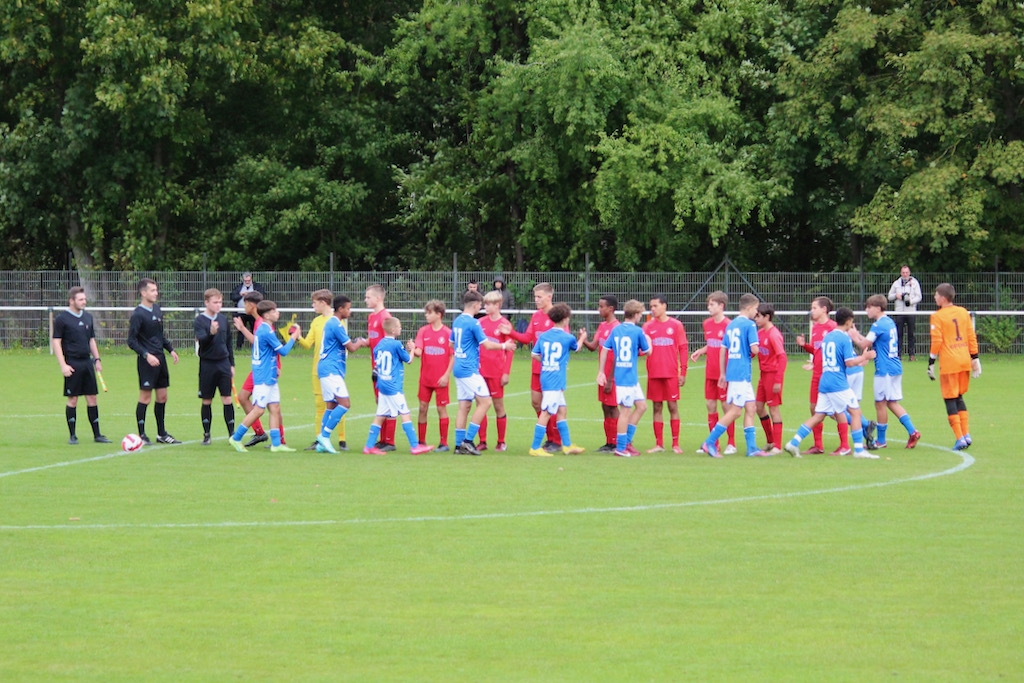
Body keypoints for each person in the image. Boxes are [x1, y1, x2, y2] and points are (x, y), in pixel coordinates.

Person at [784, 307, 877, 459]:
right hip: (837, 382)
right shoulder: (844, 338)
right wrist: (865, 356)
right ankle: (859, 450)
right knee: (855, 412)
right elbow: (849, 362)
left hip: (824, 381)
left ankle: (794, 442)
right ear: (848, 322)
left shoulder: (827, 337)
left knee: (818, 416)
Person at [228, 300, 301, 452]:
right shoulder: (266, 331)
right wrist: (294, 337)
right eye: (275, 311)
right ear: (267, 315)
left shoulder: (264, 328)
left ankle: (276, 444)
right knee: (259, 410)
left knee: (274, 407)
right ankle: (236, 438)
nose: (278, 313)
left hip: (270, 374)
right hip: (263, 375)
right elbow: (283, 351)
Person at [451, 290, 515, 455]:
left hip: (458, 367)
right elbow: (486, 345)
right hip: (469, 369)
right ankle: (468, 441)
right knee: (485, 403)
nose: (482, 307)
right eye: (481, 304)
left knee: (464, 406)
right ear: (474, 305)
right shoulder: (474, 323)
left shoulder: (457, 321)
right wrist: (504, 346)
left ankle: (458, 446)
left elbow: (452, 344)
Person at [700, 294, 763, 458]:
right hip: (741, 372)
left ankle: (752, 448)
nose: (756, 313)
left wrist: (722, 373)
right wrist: (762, 349)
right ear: (749, 308)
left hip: (735, 372)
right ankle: (709, 442)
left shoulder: (732, 324)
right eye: (756, 309)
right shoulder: (750, 325)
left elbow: (723, 349)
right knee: (735, 411)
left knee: (751, 408)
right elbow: (755, 349)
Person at [856, 294, 921, 449]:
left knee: (880, 404)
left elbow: (864, 343)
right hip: (895, 367)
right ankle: (913, 431)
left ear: (878, 308)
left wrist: (853, 335)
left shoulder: (878, 325)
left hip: (884, 370)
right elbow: (870, 342)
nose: (867, 310)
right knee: (891, 402)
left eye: (869, 307)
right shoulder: (889, 322)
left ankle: (881, 440)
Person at [501, 283, 560, 450]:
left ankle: (556, 440)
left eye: (539, 297)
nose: (536, 300)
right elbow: (527, 338)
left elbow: (564, 341)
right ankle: (550, 437)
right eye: (535, 297)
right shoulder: (536, 316)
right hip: (536, 368)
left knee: (551, 405)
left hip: (552, 370)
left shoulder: (558, 316)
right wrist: (510, 331)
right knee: (536, 403)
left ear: (549, 297)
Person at [362, 318, 434, 455]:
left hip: (382, 384)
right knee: (405, 413)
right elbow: (409, 360)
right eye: (399, 327)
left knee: (380, 415)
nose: (401, 329)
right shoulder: (396, 344)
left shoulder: (380, 344)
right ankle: (415, 446)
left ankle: (369, 446)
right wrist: (412, 349)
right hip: (393, 386)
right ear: (393, 330)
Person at [52, 286, 110, 445]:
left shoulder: (88, 317)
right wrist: (63, 364)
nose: (84, 302)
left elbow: (91, 340)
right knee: (73, 399)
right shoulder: (62, 319)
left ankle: (97, 434)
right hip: (72, 362)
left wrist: (97, 359)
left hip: (87, 362)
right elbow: (56, 342)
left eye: (84, 299)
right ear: (72, 301)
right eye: (81, 299)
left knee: (92, 398)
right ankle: (73, 436)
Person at [126, 278, 181, 445]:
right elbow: (131, 340)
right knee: (145, 397)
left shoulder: (157, 309)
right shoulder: (138, 314)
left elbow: (159, 335)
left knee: (163, 396)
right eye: (152, 290)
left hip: (161, 359)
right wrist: (146, 355)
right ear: (143, 293)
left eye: (156, 290)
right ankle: (141, 435)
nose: (156, 293)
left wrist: (170, 350)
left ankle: (161, 434)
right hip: (147, 362)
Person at [528, 303, 587, 456]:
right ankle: (535, 447)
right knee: (546, 412)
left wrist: (547, 362)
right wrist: (582, 338)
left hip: (547, 376)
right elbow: (577, 348)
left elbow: (534, 354)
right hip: (554, 380)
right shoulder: (568, 338)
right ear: (566, 319)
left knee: (562, 410)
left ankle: (567, 445)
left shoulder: (544, 336)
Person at [928, 283, 981, 450]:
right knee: (959, 397)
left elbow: (937, 341)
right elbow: (971, 336)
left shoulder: (937, 316)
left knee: (950, 399)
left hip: (950, 363)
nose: (934, 298)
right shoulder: (963, 312)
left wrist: (931, 362)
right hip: (964, 360)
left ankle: (960, 438)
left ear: (943, 298)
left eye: (936, 295)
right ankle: (966, 434)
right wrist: (975, 358)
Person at [314, 295, 369, 453]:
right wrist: (361, 341)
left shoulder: (332, 322)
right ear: (340, 309)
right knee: (345, 404)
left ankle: (320, 444)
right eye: (348, 308)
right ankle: (324, 436)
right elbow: (351, 347)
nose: (349, 311)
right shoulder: (336, 324)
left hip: (326, 368)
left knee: (331, 404)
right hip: (331, 369)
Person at [233, 291, 287, 447]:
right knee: (247, 399)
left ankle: (274, 438)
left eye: (246, 303)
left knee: (269, 406)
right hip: (260, 367)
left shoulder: (261, 324)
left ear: (253, 305)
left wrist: (277, 366)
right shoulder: (260, 323)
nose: (244, 306)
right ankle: (261, 433)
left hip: (263, 369)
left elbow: (269, 346)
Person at [597, 299, 650, 457]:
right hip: (625, 378)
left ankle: (626, 441)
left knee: (642, 406)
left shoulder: (617, 330)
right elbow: (648, 352)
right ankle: (621, 448)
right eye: (640, 314)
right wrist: (649, 342)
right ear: (636, 314)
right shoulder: (637, 331)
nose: (641, 317)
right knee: (625, 411)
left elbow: (605, 349)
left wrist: (601, 371)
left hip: (630, 378)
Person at [296, 289, 347, 451]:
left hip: (333, 369)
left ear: (323, 302)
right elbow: (307, 344)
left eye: (315, 302)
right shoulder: (316, 322)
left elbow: (344, 345)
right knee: (321, 405)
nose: (313, 306)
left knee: (339, 402)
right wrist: (297, 337)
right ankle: (320, 439)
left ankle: (341, 439)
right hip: (318, 369)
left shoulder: (337, 320)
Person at [690, 291, 737, 454]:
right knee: (710, 405)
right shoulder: (707, 323)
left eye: (712, 304)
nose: (708, 307)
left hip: (724, 373)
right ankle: (713, 443)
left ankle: (731, 443)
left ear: (721, 306)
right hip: (710, 372)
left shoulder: (730, 325)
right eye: (708, 304)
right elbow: (712, 344)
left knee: (726, 407)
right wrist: (701, 351)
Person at [643, 295, 688, 453]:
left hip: (670, 373)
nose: (652, 309)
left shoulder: (676, 325)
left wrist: (683, 371)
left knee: (672, 405)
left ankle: (675, 444)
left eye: (655, 306)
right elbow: (643, 348)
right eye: (651, 306)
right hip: (654, 373)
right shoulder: (647, 327)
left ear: (664, 306)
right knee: (656, 406)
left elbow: (683, 348)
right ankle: (659, 444)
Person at [795, 296, 839, 454]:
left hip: (830, 375)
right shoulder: (815, 328)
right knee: (814, 409)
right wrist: (804, 346)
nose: (811, 311)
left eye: (814, 308)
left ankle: (861, 428)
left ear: (824, 310)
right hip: (817, 374)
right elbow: (816, 350)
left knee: (836, 411)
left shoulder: (834, 327)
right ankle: (818, 445)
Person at [194, 288, 235, 445]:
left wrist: (231, 364)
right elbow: (202, 342)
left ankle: (232, 434)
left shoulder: (224, 320)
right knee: (207, 400)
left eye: (220, 302)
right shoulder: (200, 321)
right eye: (215, 302)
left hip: (223, 363)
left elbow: (229, 342)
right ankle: (206, 434)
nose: (219, 305)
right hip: (207, 364)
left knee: (227, 398)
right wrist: (210, 333)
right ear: (207, 303)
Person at [413, 300, 455, 452]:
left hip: (441, 379)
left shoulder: (448, 334)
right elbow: (419, 351)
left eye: (429, 313)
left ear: (439, 315)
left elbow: (453, 356)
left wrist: (446, 375)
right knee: (422, 408)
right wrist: (412, 349)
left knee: (441, 408)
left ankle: (444, 443)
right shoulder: (423, 331)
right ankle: (421, 442)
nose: (426, 315)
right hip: (425, 379)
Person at [581, 295, 621, 452]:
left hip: (613, 376)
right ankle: (609, 442)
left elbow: (618, 356)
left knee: (613, 407)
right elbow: (593, 346)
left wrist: (610, 379)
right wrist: (583, 339)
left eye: (601, 306)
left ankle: (617, 441)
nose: (599, 309)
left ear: (610, 309)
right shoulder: (602, 326)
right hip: (602, 375)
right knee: (605, 407)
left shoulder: (617, 328)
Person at [476, 290, 515, 451]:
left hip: (496, 371)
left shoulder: (505, 325)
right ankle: (482, 441)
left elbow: (510, 350)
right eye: (484, 303)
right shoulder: (480, 323)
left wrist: (506, 372)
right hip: (480, 371)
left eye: (488, 304)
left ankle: (501, 441)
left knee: (498, 406)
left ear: (497, 305)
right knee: (481, 405)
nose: (485, 306)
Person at [365, 284, 397, 450]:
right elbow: (373, 340)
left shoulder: (385, 317)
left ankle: (389, 441)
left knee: (388, 401)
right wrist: (364, 342)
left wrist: (381, 366)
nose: (366, 300)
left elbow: (388, 343)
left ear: (378, 298)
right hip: (375, 365)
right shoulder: (371, 317)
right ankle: (383, 439)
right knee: (380, 401)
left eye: (368, 297)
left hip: (384, 367)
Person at [754, 303, 787, 455]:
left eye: (758, 316)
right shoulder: (760, 333)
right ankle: (770, 441)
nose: (756, 319)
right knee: (758, 407)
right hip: (763, 375)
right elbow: (755, 352)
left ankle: (777, 446)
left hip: (773, 375)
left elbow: (782, 357)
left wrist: (778, 380)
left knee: (773, 408)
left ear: (767, 317)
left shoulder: (774, 334)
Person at [888, 265, 923, 361]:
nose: (905, 274)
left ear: (909, 273)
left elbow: (919, 297)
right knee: (899, 334)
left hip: (911, 311)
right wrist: (897, 295)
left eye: (906, 272)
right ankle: (898, 355)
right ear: (900, 273)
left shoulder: (915, 283)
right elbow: (889, 296)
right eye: (903, 272)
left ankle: (911, 355)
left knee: (911, 334)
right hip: (899, 312)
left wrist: (910, 301)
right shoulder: (896, 283)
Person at [229, 272, 266, 350]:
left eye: (248, 280)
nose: (247, 282)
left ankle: (256, 347)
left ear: (251, 279)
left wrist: (251, 294)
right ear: (243, 280)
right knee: (241, 331)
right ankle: (238, 348)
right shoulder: (239, 287)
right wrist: (241, 295)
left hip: (253, 313)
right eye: (245, 281)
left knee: (254, 330)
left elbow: (261, 295)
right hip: (241, 313)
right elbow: (232, 297)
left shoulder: (257, 287)